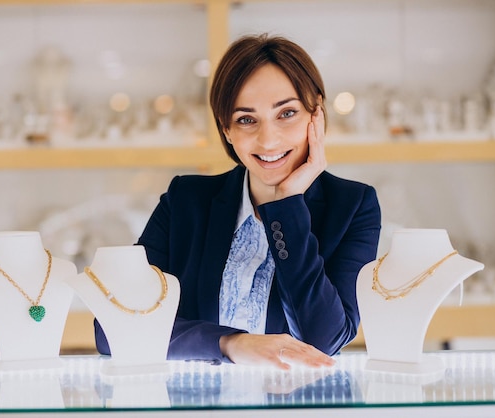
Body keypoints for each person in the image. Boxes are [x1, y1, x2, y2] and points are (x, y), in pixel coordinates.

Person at [94, 33, 381, 370]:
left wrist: (287, 205)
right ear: (226, 129)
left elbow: (325, 339)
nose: (268, 139)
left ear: (315, 114)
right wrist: (230, 342)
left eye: (286, 113)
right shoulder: (185, 200)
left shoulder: (353, 206)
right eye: (246, 119)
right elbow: (111, 329)